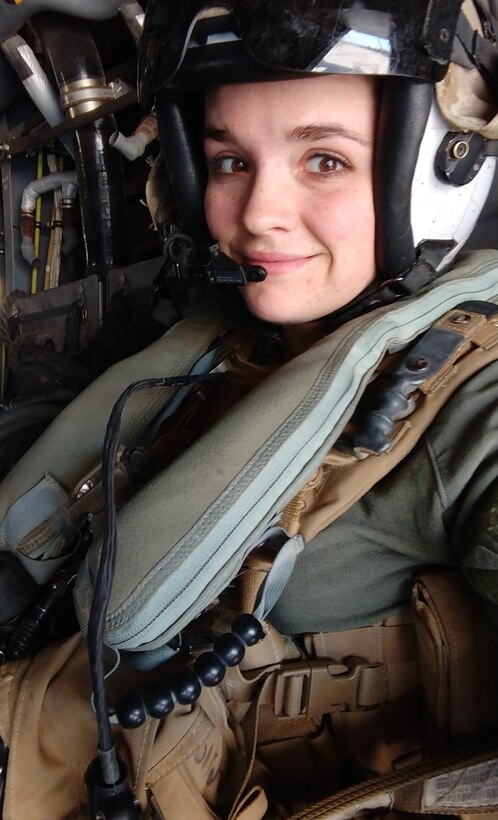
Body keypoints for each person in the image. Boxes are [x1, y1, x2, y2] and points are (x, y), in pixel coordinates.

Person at [1, 0, 498, 817]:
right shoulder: (227, 342)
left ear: (443, 164)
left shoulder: (471, 402)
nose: (258, 213)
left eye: (325, 161)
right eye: (230, 161)